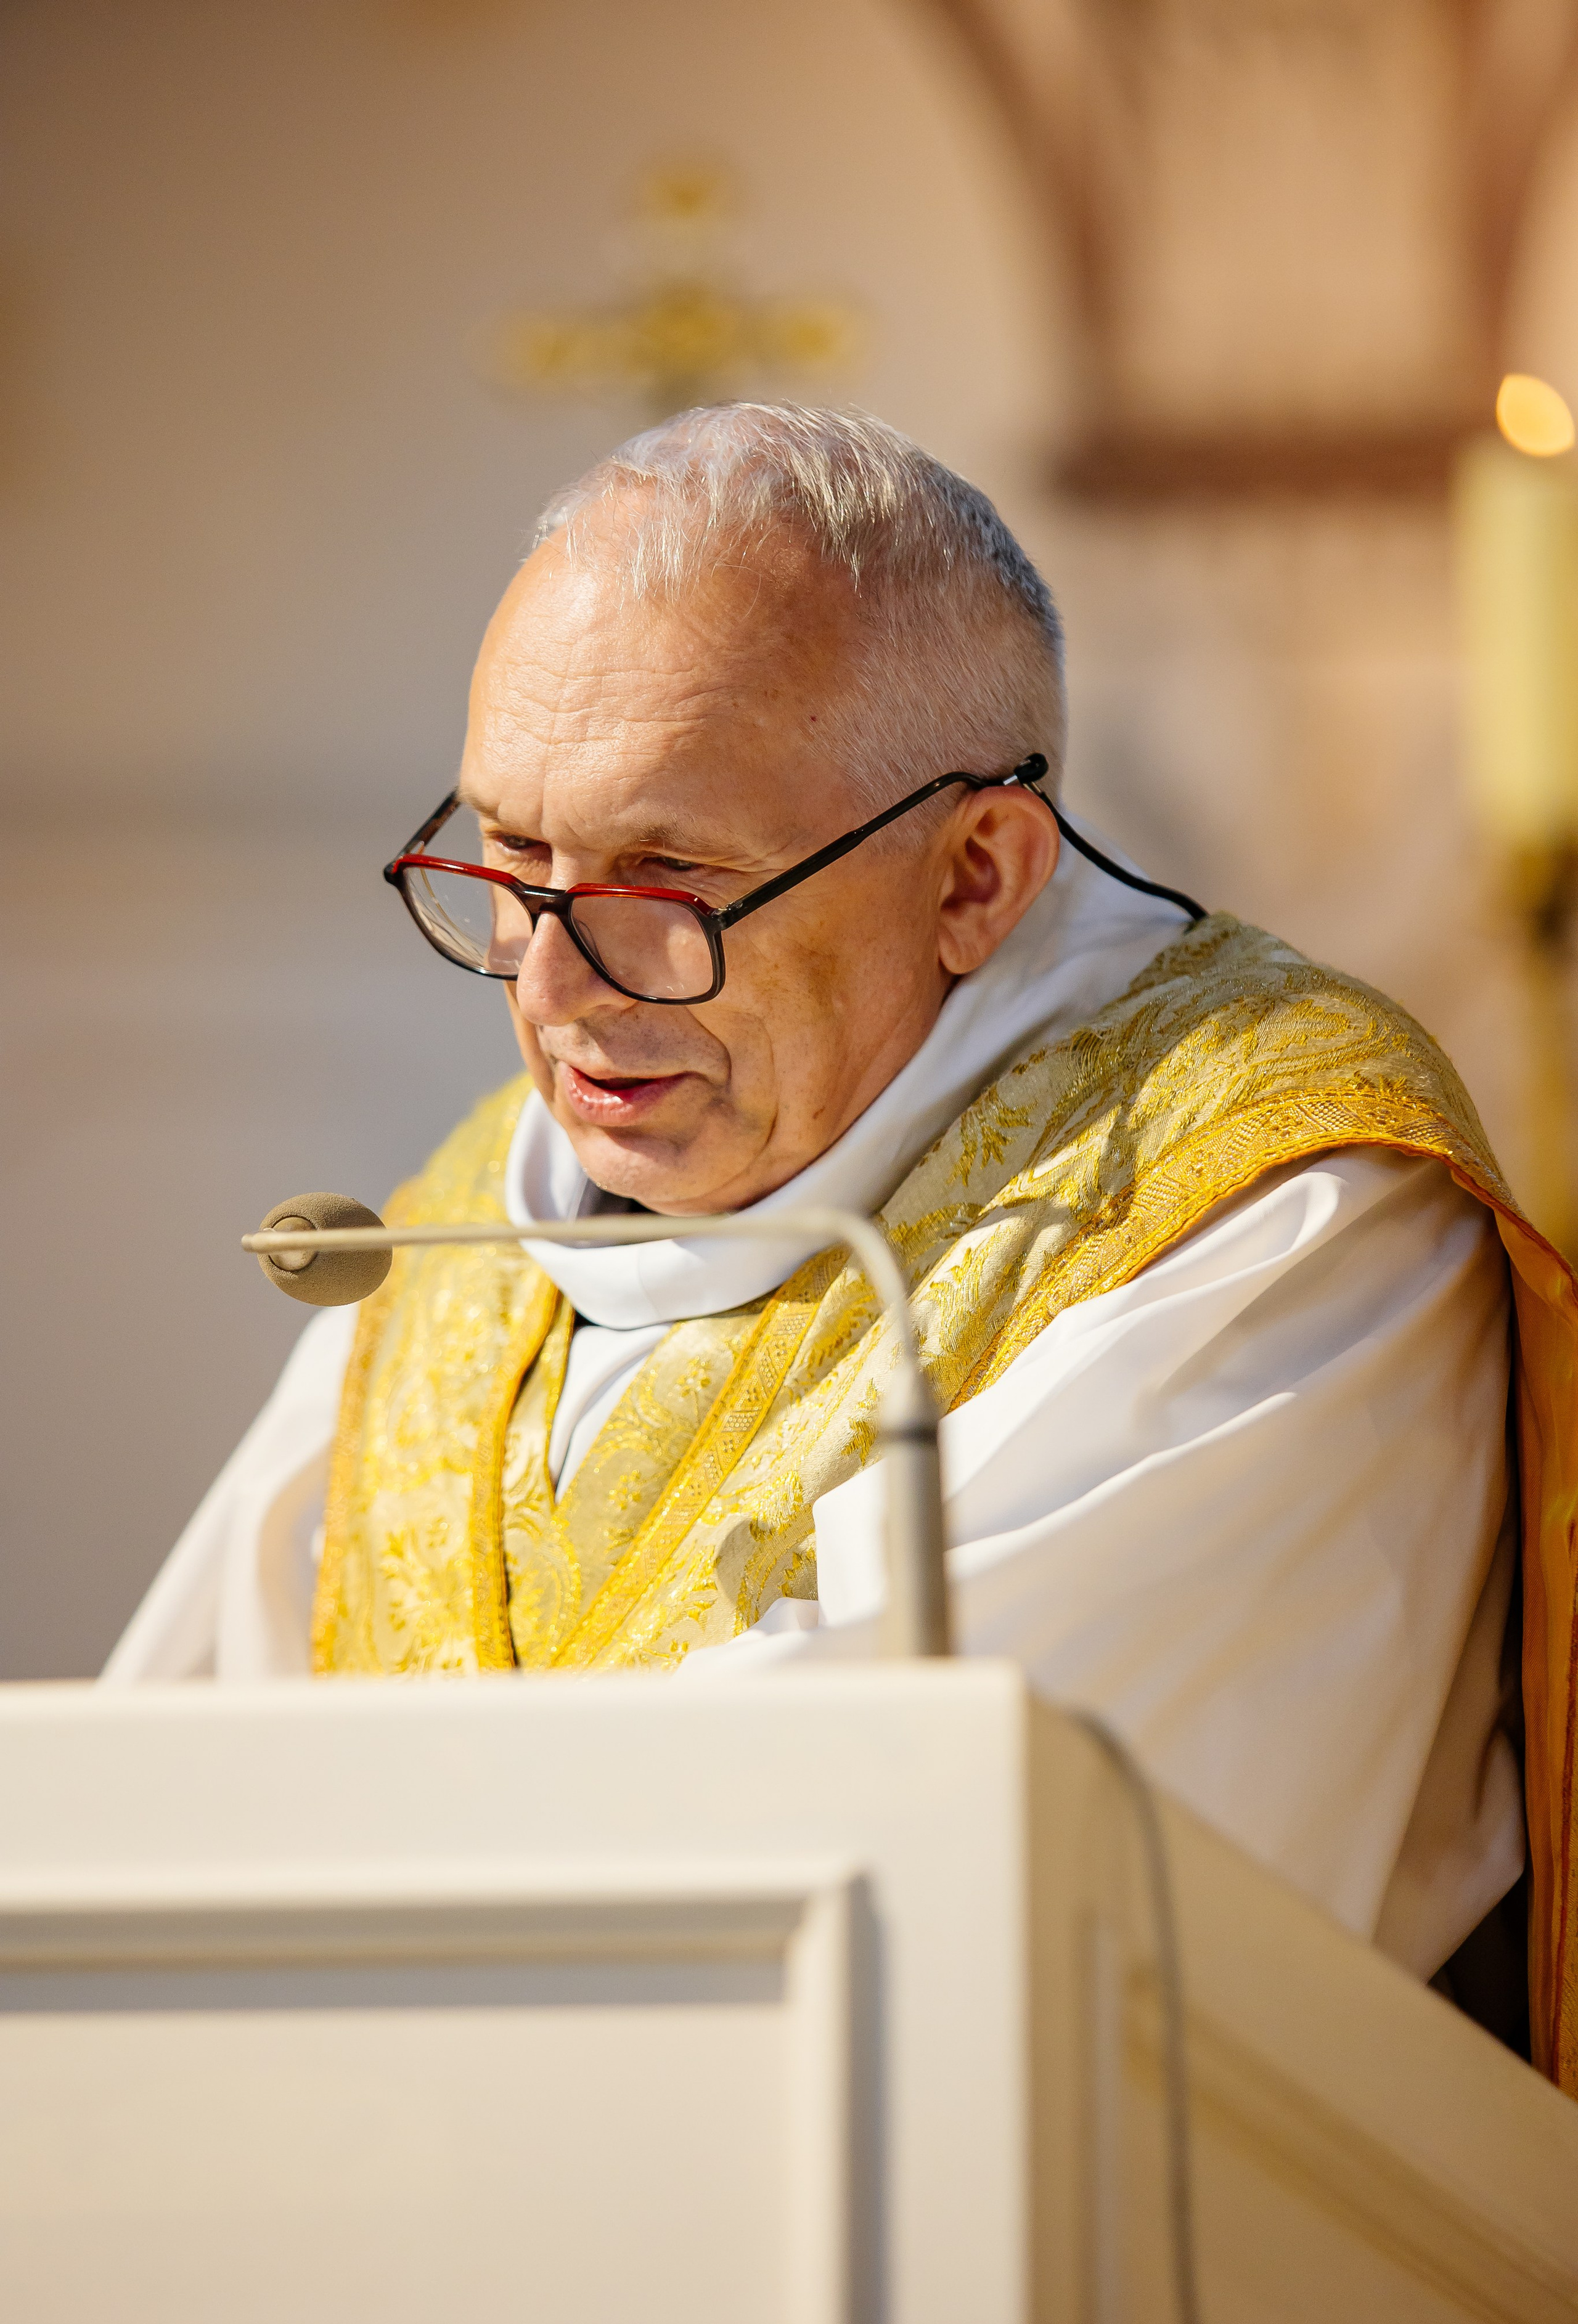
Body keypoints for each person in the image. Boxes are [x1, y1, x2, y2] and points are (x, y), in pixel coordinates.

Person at [105, 403, 1578, 2094]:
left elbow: (957, 1885)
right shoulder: (464, 1242)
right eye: (512, 859)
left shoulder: (1280, 1197)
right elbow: (153, 1829)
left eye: (668, 879)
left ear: (974, 874)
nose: (550, 992)